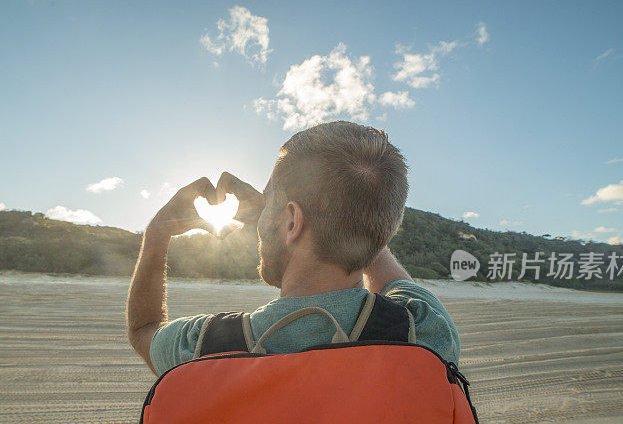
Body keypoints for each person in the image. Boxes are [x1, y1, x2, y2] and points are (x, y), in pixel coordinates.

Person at [126, 121, 460, 376]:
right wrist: (284, 214)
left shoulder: (206, 345)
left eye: (270, 200)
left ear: (292, 222)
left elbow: (144, 329)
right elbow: (385, 263)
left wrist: (157, 233)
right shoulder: (423, 331)